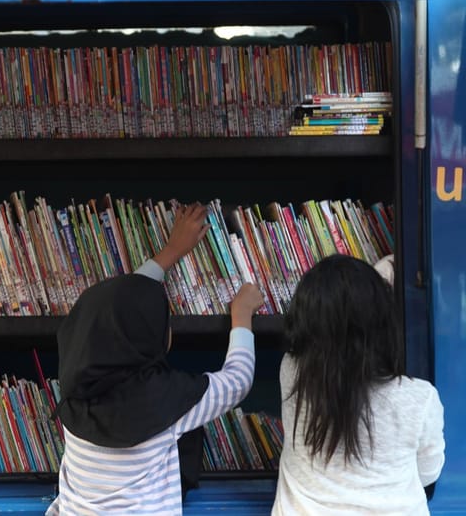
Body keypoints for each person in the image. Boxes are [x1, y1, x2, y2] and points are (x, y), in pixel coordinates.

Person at [46, 203, 265, 515]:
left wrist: (171, 251)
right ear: (152, 338)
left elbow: (116, 307)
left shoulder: (76, 390)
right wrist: (241, 315)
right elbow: (237, 381)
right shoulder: (168, 401)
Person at [272, 254, 445, 516]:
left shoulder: (292, 373)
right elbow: (429, 471)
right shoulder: (420, 398)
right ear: (385, 323)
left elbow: (337, 322)